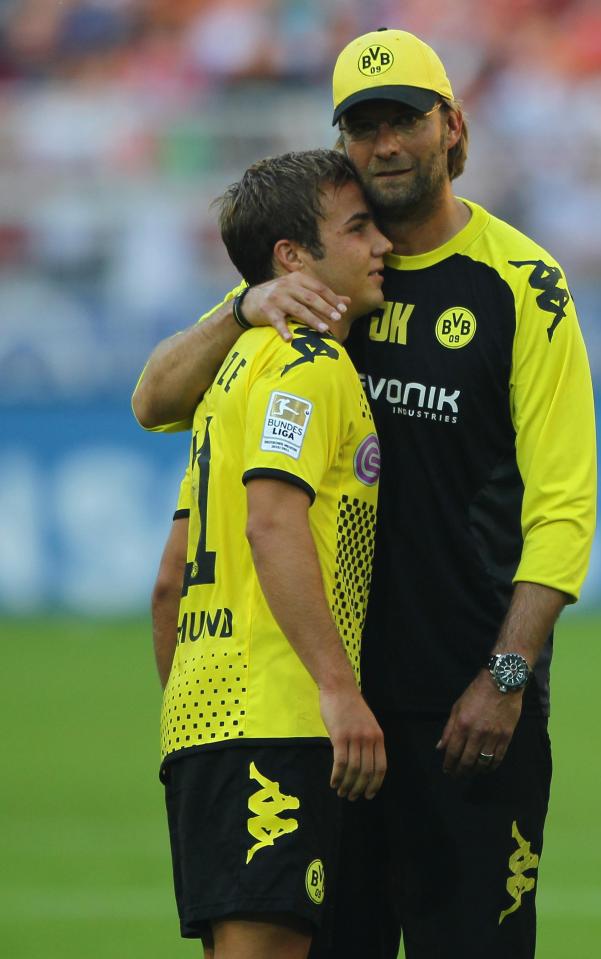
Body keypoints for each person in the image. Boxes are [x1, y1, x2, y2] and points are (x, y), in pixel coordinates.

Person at [133, 28, 597, 959]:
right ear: (343, 140)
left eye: (405, 120)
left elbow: (563, 512)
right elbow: (153, 399)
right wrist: (242, 304)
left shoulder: (524, 288)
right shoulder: (319, 282)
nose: (385, 143)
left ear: (451, 126)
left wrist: (506, 678)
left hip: (467, 705)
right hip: (329, 718)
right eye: (364, 124)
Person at [154, 148, 391, 959]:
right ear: (294, 258)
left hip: (202, 718)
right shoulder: (309, 365)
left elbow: (167, 581)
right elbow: (272, 523)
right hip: (273, 717)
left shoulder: (229, 378)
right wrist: (337, 688)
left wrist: (188, 720)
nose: (382, 245)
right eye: (358, 229)